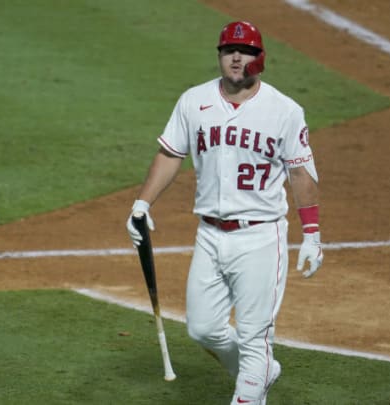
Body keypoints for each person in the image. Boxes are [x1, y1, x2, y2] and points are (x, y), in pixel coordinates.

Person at [126, 21, 323, 405]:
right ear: (219, 55)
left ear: (259, 58)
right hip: (210, 235)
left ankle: (251, 381)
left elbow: (300, 173)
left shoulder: (284, 111)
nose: (236, 57)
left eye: (246, 50)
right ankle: (258, 372)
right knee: (203, 330)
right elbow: (170, 154)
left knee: (253, 336)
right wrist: (142, 202)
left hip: (260, 238)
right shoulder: (193, 101)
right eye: (229, 50)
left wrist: (311, 234)